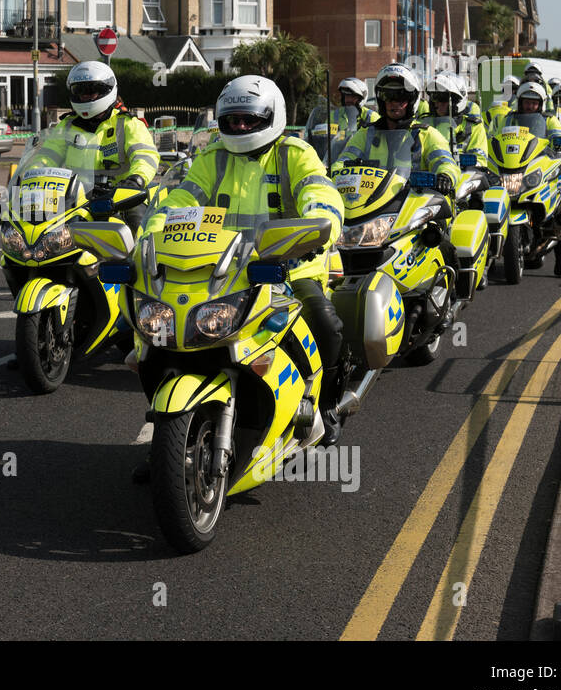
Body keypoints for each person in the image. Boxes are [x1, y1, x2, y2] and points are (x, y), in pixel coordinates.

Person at [151, 75, 347, 445]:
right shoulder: (212, 158)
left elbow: (319, 189)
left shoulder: (295, 153)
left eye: (249, 119)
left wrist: (322, 222)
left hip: (287, 267)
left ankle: (325, 405)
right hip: (220, 267)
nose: (240, 126)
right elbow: (180, 200)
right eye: (232, 120)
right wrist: (153, 231)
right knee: (155, 334)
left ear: (271, 118)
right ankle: (170, 436)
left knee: (324, 322)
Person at [40, 60, 159, 231]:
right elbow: (46, 156)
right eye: (80, 91)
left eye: (92, 90)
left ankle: (141, 255)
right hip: (73, 196)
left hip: (119, 196)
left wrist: (136, 179)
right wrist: (32, 175)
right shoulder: (66, 125)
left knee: (139, 227)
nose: (85, 96)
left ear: (107, 90)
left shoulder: (127, 123)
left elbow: (145, 156)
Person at [336, 63, 461, 193]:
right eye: (388, 96)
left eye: (400, 96)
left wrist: (445, 176)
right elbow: (343, 160)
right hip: (371, 205)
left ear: (412, 99)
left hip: (413, 204)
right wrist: (333, 173)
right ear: (381, 100)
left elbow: (445, 162)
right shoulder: (366, 134)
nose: (394, 103)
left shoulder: (427, 134)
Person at [508, 81, 561, 277]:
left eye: (534, 102)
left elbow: (558, 136)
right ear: (520, 102)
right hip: (515, 166)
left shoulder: (549, 120)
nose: (530, 106)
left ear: (541, 103)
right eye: (526, 102)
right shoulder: (509, 119)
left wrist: (560, 147)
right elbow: (495, 136)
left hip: (540, 165)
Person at [423, 73, 486, 161]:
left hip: (463, 174)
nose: (437, 103)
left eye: (443, 98)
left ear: (457, 100)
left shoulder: (473, 127)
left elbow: (479, 160)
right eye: (434, 97)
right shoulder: (424, 125)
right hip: (429, 173)